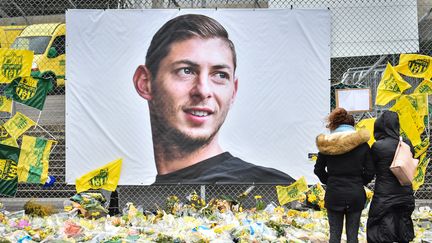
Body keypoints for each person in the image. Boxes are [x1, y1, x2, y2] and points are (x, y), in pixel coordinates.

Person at [132, 14, 294, 184]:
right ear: (145, 83)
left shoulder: (271, 188)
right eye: (186, 71)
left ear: (233, 92)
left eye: (220, 75)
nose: (203, 91)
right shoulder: (140, 203)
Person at [314, 107, 374, 243]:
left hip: (334, 193)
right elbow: (371, 170)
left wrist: (329, 181)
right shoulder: (362, 145)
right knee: (353, 236)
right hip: (355, 193)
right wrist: (360, 181)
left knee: (334, 235)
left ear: (334, 124)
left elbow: (318, 169)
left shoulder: (326, 145)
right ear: (352, 125)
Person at [367, 110, 415, 242]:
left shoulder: (377, 146)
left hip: (384, 195)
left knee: (380, 230)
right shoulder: (406, 144)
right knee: (402, 226)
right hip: (405, 193)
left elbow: (371, 170)